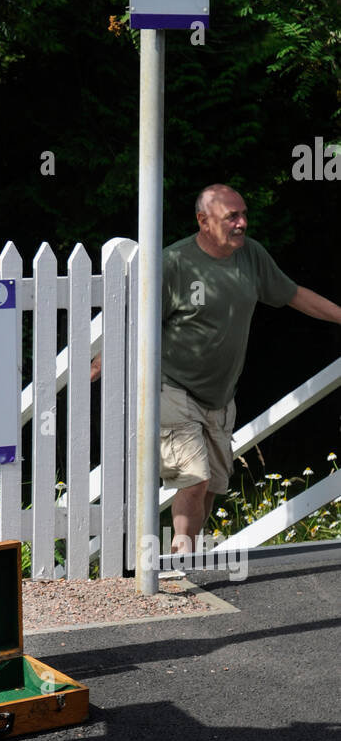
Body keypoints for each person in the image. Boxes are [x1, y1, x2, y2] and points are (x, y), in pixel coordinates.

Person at [92, 184, 341, 555]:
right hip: (171, 387)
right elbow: (136, 321)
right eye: (232, 217)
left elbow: (293, 295)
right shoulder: (173, 263)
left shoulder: (251, 255)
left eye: (243, 215)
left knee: (210, 487)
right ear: (203, 221)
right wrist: (99, 362)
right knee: (194, 479)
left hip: (221, 396)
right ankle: (180, 558)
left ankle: (187, 556)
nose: (242, 223)